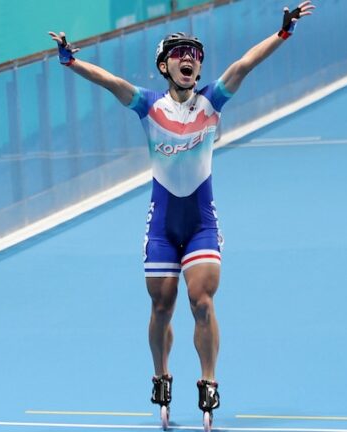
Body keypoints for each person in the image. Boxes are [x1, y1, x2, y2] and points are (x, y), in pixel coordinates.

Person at [49, 1, 314, 426]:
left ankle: (208, 380)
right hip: (162, 226)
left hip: (201, 225)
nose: (187, 59)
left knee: (202, 302)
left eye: (193, 54)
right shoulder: (148, 105)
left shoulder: (213, 100)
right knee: (161, 307)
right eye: (178, 54)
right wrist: (72, 60)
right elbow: (110, 82)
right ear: (164, 67)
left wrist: (282, 33)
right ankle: (161, 375)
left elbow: (245, 64)